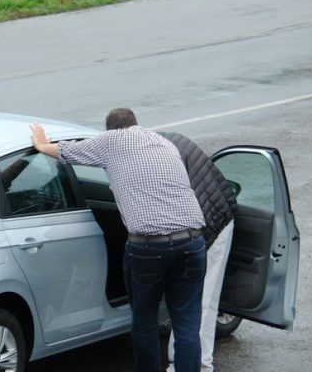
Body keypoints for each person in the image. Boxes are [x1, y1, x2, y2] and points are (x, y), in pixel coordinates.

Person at [30, 108, 207, 372]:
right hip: (192, 242)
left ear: (110, 129)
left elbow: (65, 151)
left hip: (149, 247)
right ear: (135, 123)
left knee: (145, 322)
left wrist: (41, 142)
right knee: (187, 324)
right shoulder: (164, 142)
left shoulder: (112, 140)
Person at [158, 132, 239, 372]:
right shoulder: (157, 140)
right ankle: (202, 365)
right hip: (215, 210)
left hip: (211, 222)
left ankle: (181, 366)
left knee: (197, 302)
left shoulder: (141, 156)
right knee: (205, 302)